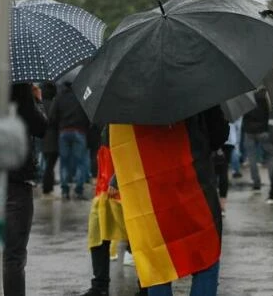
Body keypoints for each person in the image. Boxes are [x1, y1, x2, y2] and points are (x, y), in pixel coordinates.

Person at [109, 106, 228, 296]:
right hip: (194, 184)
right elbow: (218, 135)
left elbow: (115, 141)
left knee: (157, 264)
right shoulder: (198, 82)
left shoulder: (126, 90)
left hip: (150, 190)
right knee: (206, 256)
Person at [3, 83, 47, 296]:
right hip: (14, 180)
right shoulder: (19, 86)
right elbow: (41, 127)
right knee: (13, 254)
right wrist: (37, 99)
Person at [79, 128, 128, 296]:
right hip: (104, 188)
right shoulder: (108, 113)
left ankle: (146, 285)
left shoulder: (130, 111)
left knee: (135, 238)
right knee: (97, 233)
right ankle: (100, 285)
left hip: (123, 187)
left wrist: (118, 177)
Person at [48, 79, 91, 200]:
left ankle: (65, 190)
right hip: (79, 131)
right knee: (80, 163)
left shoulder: (59, 97)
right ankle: (78, 190)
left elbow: (52, 116)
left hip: (64, 132)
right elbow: (88, 115)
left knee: (64, 162)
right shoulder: (82, 97)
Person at [242, 88, 273, 193]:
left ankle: (256, 183)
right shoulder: (265, 96)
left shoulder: (245, 97)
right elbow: (269, 112)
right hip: (264, 130)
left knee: (252, 158)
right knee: (270, 157)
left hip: (249, 131)